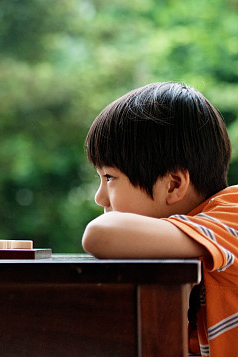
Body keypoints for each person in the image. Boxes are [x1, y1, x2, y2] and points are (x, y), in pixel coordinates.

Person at [81, 81, 238, 356]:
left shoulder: (232, 212)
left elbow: (101, 233)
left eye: (109, 178)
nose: (100, 198)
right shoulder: (195, 241)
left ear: (173, 185)